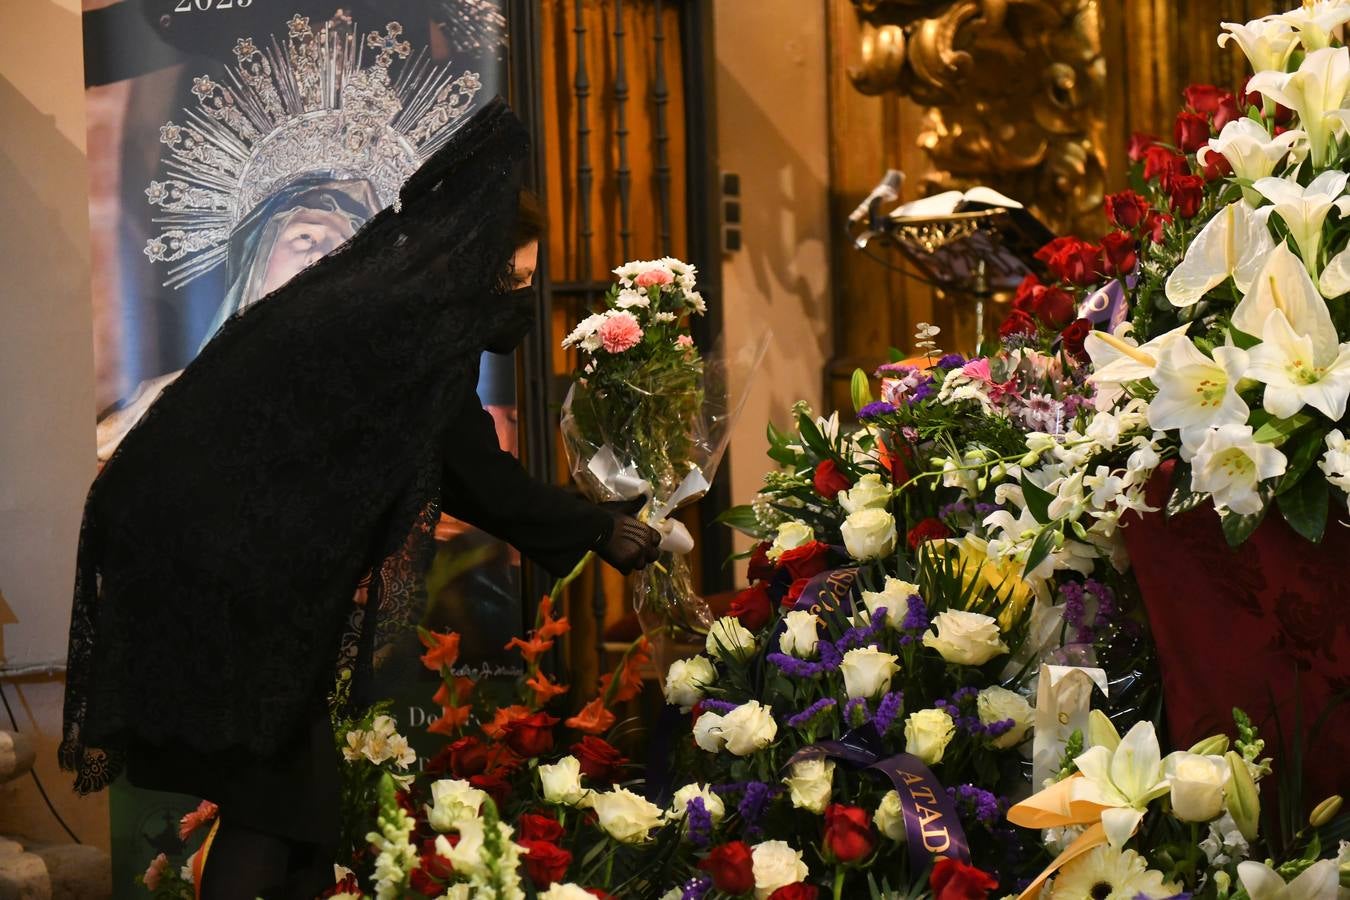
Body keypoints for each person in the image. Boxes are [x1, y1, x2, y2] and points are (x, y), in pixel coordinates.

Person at [59, 97, 662, 899]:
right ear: (471, 261)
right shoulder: (408, 332)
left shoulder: (370, 305)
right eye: (513, 277)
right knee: (272, 805)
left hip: (209, 573)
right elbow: (477, 474)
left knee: (294, 805)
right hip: (229, 589)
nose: (518, 297)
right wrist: (603, 531)